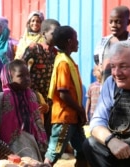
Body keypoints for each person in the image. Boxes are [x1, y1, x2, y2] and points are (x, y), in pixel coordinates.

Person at [43, 26, 87, 167]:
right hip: (65, 117)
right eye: (76, 39)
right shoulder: (63, 62)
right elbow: (63, 93)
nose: (78, 42)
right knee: (54, 152)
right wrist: (80, 109)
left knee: (84, 149)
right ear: (69, 42)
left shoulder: (67, 60)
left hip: (73, 117)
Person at [0, 60, 48, 162]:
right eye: (21, 76)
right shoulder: (0, 98)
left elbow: (37, 120)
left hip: (31, 141)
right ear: (9, 78)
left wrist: (42, 141)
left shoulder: (31, 96)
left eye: (28, 75)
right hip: (9, 144)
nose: (27, 79)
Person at [22, 18, 61, 137]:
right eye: (54, 33)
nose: (57, 36)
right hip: (35, 98)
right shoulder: (34, 48)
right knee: (35, 128)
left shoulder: (57, 54)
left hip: (51, 100)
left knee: (48, 129)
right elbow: (21, 67)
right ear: (44, 33)